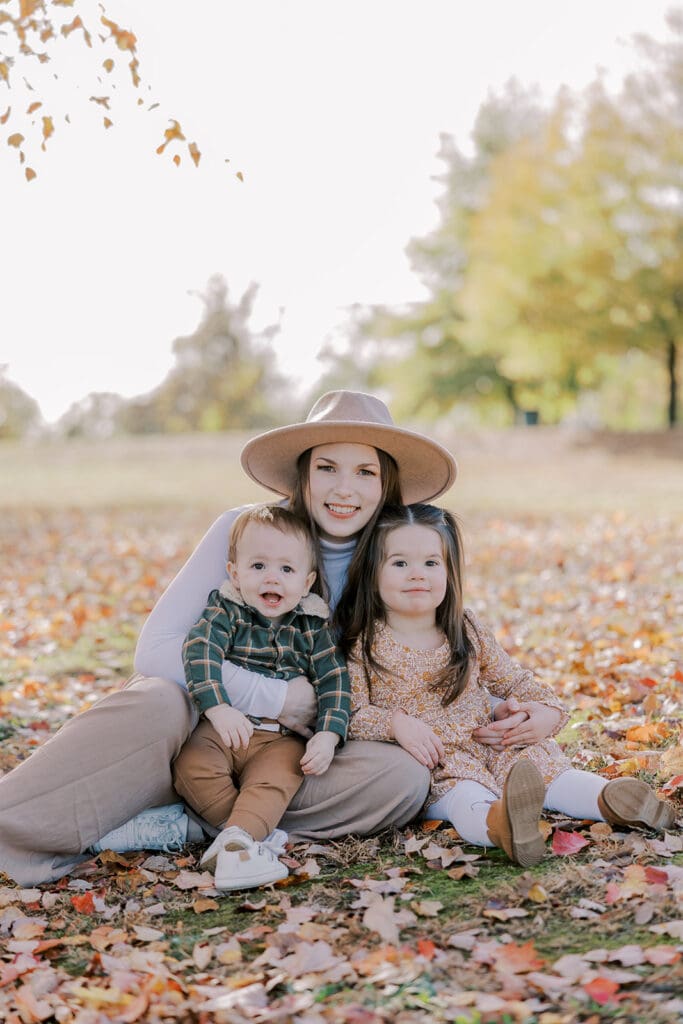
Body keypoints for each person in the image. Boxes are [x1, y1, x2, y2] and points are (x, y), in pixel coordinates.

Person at [0, 390, 551, 886]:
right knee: (156, 700)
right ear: (301, 476)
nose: (344, 488)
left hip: (297, 755)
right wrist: (275, 698)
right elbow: (158, 647)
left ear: (386, 485)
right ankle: (16, 826)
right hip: (203, 719)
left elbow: (429, 662)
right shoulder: (247, 529)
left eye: (365, 472)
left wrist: (514, 708)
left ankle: (182, 825)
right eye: (327, 467)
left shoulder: (395, 556)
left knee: (402, 778)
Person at [339, 503, 675, 867]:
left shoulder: (465, 628)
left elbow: (514, 680)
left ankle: (610, 800)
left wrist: (545, 713)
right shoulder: (364, 642)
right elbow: (351, 712)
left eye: (431, 563)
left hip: (495, 742)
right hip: (437, 760)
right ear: (373, 574)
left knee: (547, 770)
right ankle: (501, 826)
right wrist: (394, 723)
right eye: (400, 563)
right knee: (465, 797)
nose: (417, 575)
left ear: (451, 572)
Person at [172, 503, 351, 890]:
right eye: (258, 567)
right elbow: (199, 650)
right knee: (192, 764)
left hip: (278, 740)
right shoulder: (226, 610)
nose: (273, 578)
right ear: (235, 574)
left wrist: (328, 733)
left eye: (287, 569)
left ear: (306, 583)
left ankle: (237, 840)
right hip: (224, 726)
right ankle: (246, 838)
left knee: (276, 781)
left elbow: (335, 679)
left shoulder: (311, 626)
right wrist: (217, 707)